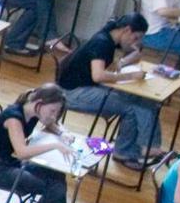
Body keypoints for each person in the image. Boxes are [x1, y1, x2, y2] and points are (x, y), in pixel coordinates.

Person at [57, 14, 162, 171]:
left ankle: (141, 147)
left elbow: (114, 67)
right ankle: (131, 150)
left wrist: (127, 59)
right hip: (72, 93)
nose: (136, 42)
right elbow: (98, 76)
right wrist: (131, 75)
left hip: (86, 87)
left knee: (139, 98)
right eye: (135, 38)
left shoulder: (110, 39)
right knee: (131, 106)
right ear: (126, 30)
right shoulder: (102, 43)